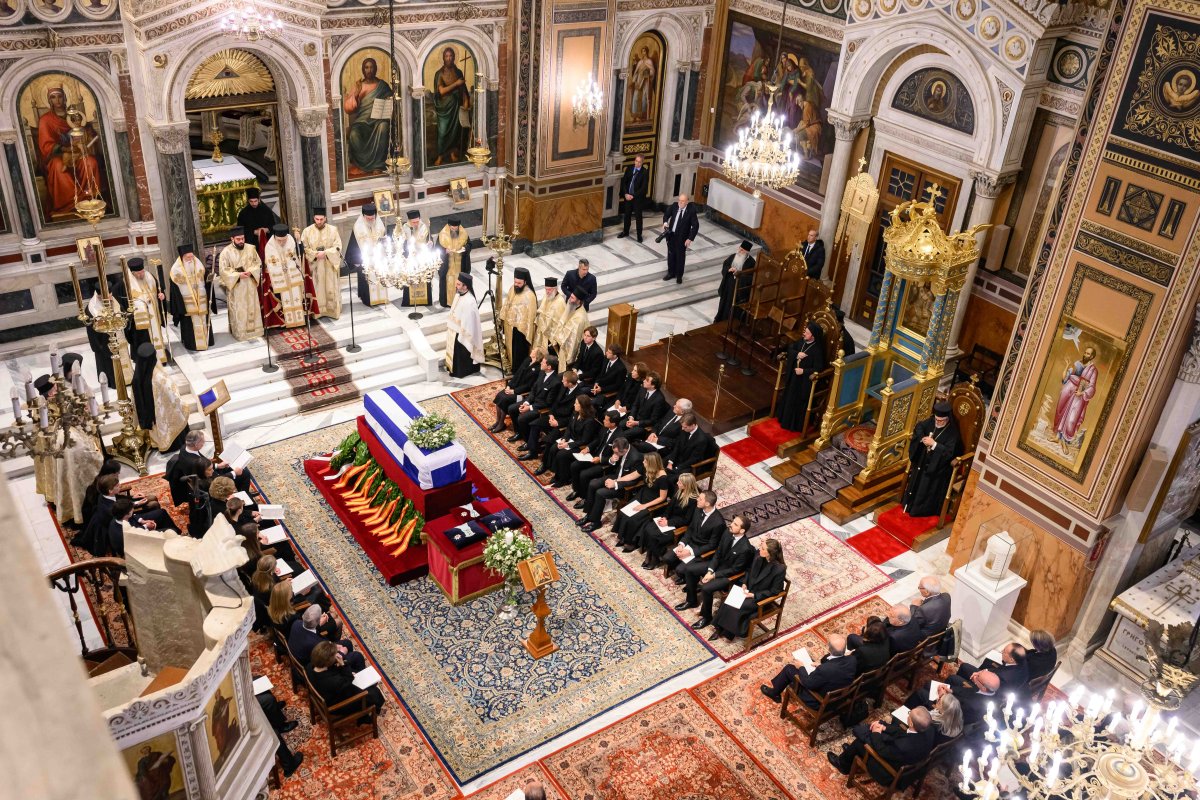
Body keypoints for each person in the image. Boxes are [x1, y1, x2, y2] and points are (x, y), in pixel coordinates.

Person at [677, 515, 755, 630]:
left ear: (742, 530)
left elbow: (735, 570)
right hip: (716, 566)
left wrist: (713, 575)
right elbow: (718, 554)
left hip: (728, 574)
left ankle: (706, 617)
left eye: (735, 524)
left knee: (706, 588)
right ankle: (691, 600)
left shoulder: (746, 548)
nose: (731, 525)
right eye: (732, 522)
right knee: (689, 569)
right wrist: (710, 570)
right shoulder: (727, 533)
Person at [36, 85, 102, 216]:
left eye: (60, 96)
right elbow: (46, 145)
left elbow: (87, 130)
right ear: (49, 100)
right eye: (53, 97)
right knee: (58, 166)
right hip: (57, 156)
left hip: (78, 153)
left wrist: (87, 133)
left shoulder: (76, 116)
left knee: (90, 162)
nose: (57, 100)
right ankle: (70, 204)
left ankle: (89, 199)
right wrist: (65, 148)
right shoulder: (46, 120)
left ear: (65, 97)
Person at [826, 706, 936, 784]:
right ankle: (851, 751)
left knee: (860, 742)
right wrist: (884, 727)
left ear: (911, 723)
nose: (908, 715)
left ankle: (843, 764)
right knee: (869, 733)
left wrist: (876, 733)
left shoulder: (903, 746)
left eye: (909, 714)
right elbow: (904, 733)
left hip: (887, 771)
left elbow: (882, 751)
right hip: (901, 757)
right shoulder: (929, 730)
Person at [710, 537, 787, 642]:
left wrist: (754, 595)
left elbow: (775, 591)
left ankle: (728, 632)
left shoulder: (779, 569)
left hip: (760, 598)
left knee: (738, 606)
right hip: (748, 590)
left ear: (770, 553)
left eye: (763, 548)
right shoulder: (758, 556)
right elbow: (749, 571)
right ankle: (719, 628)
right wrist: (745, 583)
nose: (760, 549)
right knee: (729, 599)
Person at [901, 400, 962, 517]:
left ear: (947, 419)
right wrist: (922, 438)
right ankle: (909, 504)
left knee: (926, 484)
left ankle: (920, 510)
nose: (937, 423)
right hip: (923, 462)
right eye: (936, 420)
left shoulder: (953, 433)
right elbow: (919, 426)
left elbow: (950, 453)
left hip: (937, 468)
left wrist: (934, 444)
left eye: (941, 421)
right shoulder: (931, 422)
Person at [760, 632, 854, 702]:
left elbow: (809, 683)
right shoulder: (852, 660)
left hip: (817, 700)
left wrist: (801, 667)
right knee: (811, 662)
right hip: (838, 698)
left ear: (829, 648)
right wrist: (821, 665)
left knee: (789, 668)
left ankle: (774, 693)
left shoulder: (824, 669)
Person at [577, 437, 643, 533]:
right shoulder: (620, 450)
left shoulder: (636, 458)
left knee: (600, 493)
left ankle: (596, 522)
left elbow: (634, 480)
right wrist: (612, 460)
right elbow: (614, 465)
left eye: (617, 453)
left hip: (624, 486)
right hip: (616, 476)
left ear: (624, 450)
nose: (615, 454)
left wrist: (615, 483)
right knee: (592, 484)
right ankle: (589, 515)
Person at [342, 56, 394, 177]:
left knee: (383, 127)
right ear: (363, 69)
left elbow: (392, 103)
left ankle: (378, 165)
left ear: (376, 69)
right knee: (354, 134)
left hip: (379, 120)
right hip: (362, 122)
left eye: (371, 67)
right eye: (366, 67)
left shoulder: (383, 86)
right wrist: (356, 93)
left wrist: (389, 100)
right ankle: (361, 164)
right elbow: (348, 108)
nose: (369, 70)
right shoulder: (359, 85)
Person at [131, 342, 187, 453]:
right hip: (162, 415)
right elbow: (173, 397)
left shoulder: (137, 377)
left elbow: (135, 401)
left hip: (149, 419)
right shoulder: (159, 378)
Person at [636, 472, 699, 569]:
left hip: (677, 525)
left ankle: (655, 558)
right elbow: (669, 507)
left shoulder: (693, 501)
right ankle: (650, 554)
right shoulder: (678, 491)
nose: (677, 483)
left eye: (680, 482)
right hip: (669, 519)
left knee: (654, 535)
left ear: (686, 485)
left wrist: (668, 523)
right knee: (648, 527)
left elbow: (686, 520)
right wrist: (665, 517)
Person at [306, 640, 385, 714]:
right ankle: (367, 715)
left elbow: (331, 674)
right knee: (375, 693)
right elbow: (348, 681)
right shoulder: (335, 681)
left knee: (357, 664)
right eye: (335, 655)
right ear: (328, 661)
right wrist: (343, 665)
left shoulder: (309, 666)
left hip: (328, 691)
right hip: (337, 705)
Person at [659, 490, 726, 575]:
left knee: (680, 570)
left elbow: (712, 545)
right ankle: (678, 567)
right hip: (689, 543)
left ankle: (684, 574)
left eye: (700, 499)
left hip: (700, 550)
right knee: (666, 558)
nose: (697, 499)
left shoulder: (718, 523)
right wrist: (682, 544)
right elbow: (690, 529)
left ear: (707, 504)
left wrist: (690, 552)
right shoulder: (698, 509)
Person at [613, 451, 671, 548]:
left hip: (653, 501)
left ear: (652, 463)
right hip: (643, 495)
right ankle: (623, 537)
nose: (643, 462)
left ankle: (632, 542)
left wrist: (644, 506)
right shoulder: (645, 467)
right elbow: (632, 476)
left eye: (645, 461)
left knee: (633, 519)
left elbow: (662, 497)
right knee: (624, 512)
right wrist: (616, 480)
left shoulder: (663, 477)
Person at [905, 666, 999, 725]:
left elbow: (951, 711)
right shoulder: (988, 691)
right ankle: (919, 707)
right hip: (954, 701)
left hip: (947, 716)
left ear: (983, 687)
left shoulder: (973, 705)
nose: (974, 675)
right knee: (930, 684)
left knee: (920, 693)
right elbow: (966, 691)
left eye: (977, 676)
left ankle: (906, 715)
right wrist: (950, 690)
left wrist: (943, 696)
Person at [262, 223, 314, 328]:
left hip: (293, 273)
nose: (282, 242)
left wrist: (298, 241)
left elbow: (300, 253)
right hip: (280, 276)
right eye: (279, 240)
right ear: (275, 237)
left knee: (296, 297)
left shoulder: (291, 240)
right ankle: (289, 321)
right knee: (286, 299)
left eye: (284, 240)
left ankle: (299, 320)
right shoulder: (270, 246)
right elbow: (268, 263)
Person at [777, 322, 827, 432]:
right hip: (793, 378)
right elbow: (791, 348)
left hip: (804, 382)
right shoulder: (802, 342)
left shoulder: (817, 350)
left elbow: (818, 368)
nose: (804, 334)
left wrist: (803, 371)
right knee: (789, 397)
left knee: (797, 401)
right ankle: (783, 419)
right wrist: (796, 354)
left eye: (807, 332)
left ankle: (793, 425)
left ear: (813, 336)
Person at [536, 389, 599, 478]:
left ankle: (562, 478)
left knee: (561, 454)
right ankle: (554, 471)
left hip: (579, 445)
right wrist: (564, 439)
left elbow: (584, 440)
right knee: (554, 447)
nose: (574, 405)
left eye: (576, 403)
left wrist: (568, 445)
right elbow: (569, 428)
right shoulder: (575, 413)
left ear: (582, 406)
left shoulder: (589, 421)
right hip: (569, 440)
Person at [218, 226, 265, 341]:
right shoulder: (226, 252)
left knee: (252, 306)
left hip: (250, 283)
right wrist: (238, 275)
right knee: (240, 309)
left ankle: (256, 331)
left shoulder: (251, 248)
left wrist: (251, 271)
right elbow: (224, 270)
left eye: (243, 238)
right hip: (237, 286)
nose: (241, 241)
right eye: (238, 239)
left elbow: (258, 263)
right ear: (232, 239)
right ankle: (240, 333)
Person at [526, 367, 585, 456]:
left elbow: (574, 416)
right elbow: (555, 403)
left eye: (564, 380)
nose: (561, 381)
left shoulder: (579, 396)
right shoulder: (563, 387)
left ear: (569, 383)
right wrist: (551, 414)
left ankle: (545, 461)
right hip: (554, 416)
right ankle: (532, 451)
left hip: (563, 423)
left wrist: (558, 423)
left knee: (549, 439)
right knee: (534, 424)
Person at [563, 409, 622, 496]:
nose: (603, 421)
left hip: (604, 463)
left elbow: (616, 458)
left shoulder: (620, 437)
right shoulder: (605, 428)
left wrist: (601, 459)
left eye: (606, 420)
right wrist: (588, 448)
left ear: (613, 424)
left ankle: (584, 497)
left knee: (584, 474)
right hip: (594, 456)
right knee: (574, 465)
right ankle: (576, 490)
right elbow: (597, 440)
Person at [509, 355, 563, 450]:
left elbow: (548, 402)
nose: (541, 363)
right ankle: (519, 433)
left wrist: (529, 408)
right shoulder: (542, 373)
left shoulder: (556, 382)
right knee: (512, 409)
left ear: (549, 367)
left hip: (540, 407)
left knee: (522, 418)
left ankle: (527, 441)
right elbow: (533, 390)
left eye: (543, 362)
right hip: (531, 401)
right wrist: (526, 403)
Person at [289, 604, 366, 670]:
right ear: (317, 621)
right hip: (314, 664)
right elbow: (328, 660)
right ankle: (349, 672)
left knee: (347, 642)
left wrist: (318, 623)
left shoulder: (296, 623)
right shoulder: (317, 643)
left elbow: (310, 631)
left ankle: (349, 665)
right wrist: (341, 653)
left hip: (304, 654)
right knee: (357, 656)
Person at [168, 244, 213, 351]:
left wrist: (209, 278)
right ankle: (192, 344)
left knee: (203, 318)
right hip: (187, 303)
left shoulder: (198, 264)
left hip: (200, 299)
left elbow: (205, 278)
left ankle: (207, 340)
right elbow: (175, 292)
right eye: (188, 258)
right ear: (182, 258)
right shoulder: (176, 270)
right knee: (189, 323)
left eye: (191, 257)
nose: (190, 259)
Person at [301, 208, 343, 321]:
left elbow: (338, 245)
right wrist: (315, 254)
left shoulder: (333, 230)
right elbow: (304, 248)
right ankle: (317, 311)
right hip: (315, 266)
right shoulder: (307, 231)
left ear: (325, 218)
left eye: (321, 219)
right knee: (317, 287)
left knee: (330, 287)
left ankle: (332, 310)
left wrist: (326, 253)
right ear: (314, 218)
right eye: (316, 219)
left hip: (329, 264)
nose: (319, 221)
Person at [1054, 345, 1099, 453]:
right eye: (1085, 352)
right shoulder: (1077, 363)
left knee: (1071, 419)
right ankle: (1057, 437)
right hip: (1069, 391)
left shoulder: (1093, 370)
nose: (1085, 355)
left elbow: (1092, 386)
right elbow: (1066, 378)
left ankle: (1064, 442)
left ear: (1092, 356)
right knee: (1063, 413)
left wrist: (1082, 392)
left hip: (1079, 396)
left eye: (1088, 354)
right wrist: (1067, 365)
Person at [123, 257, 167, 361]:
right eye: (137, 273)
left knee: (156, 334)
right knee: (143, 338)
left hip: (153, 314)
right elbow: (123, 302)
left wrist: (161, 296)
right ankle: (148, 359)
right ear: (132, 273)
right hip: (139, 319)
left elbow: (158, 291)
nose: (140, 275)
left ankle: (160, 357)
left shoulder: (150, 276)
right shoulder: (126, 283)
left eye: (142, 272)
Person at [432, 46, 469, 165]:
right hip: (444, 108)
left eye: (451, 56)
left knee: (455, 131)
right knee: (442, 132)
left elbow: (463, 89)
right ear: (443, 58)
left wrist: (466, 103)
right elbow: (441, 91)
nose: (449, 58)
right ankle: (440, 155)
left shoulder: (458, 72)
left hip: (456, 107)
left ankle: (453, 152)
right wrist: (456, 83)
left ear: (454, 57)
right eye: (446, 56)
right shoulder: (439, 74)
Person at [490, 347, 542, 432]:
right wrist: (509, 386)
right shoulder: (527, 360)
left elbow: (528, 386)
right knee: (499, 395)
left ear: (537, 355)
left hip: (521, 393)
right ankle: (498, 421)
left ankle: (501, 424)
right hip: (513, 387)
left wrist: (514, 391)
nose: (531, 350)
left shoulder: (537, 369)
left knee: (504, 399)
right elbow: (517, 374)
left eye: (534, 350)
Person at [346, 203, 389, 306]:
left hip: (378, 258)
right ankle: (367, 299)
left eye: (372, 218)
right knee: (365, 280)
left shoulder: (380, 225)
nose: (370, 220)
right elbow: (354, 245)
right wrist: (355, 260)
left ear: (375, 216)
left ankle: (381, 298)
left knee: (379, 277)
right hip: (365, 260)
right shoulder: (358, 227)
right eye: (368, 218)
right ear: (363, 216)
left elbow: (384, 240)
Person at [499, 267, 538, 369]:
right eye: (515, 282)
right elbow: (507, 303)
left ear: (525, 282)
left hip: (521, 332)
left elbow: (530, 317)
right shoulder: (512, 288)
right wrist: (502, 318)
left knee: (518, 354)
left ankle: (518, 370)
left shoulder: (530, 296)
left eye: (519, 283)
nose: (516, 285)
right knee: (509, 349)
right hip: (510, 327)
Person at [446, 274, 484, 377]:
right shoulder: (458, 294)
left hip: (463, 333)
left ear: (465, 286)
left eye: (458, 284)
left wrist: (461, 331)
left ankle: (462, 371)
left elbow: (469, 324)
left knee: (462, 352)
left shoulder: (470, 302)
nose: (456, 286)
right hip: (455, 330)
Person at [849, 604, 924, 655]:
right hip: (907, 644)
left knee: (852, 637)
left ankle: (851, 651)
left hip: (888, 653)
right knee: (873, 620)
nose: (888, 615)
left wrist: (867, 633)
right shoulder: (912, 619)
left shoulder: (893, 637)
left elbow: (884, 649)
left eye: (891, 615)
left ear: (901, 621)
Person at [661, 193, 699, 284]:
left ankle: (679, 275)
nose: (680, 203)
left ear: (687, 202)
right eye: (679, 200)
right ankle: (671, 273)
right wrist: (665, 223)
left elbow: (695, 226)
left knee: (680, 257)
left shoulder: (691, 211)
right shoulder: (674, 206)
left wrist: (689, 239)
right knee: (671, 255)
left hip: (682, 238)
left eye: (683, 201)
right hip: (671, 236)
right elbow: (666, 215)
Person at [714, 240, 755, 323]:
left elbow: (751, 277)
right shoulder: (733, 256)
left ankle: (730, 322)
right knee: (724, 304)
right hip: (728, 286)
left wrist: (739, 274)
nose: (739, 251)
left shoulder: (751, 262)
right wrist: (729, 269)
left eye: (742, 250)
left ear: (747, 252)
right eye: (740, 248)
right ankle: (720, 319)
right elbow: (725, 264)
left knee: (733, 307)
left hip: (738, 289)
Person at [398, 210, 433, 307]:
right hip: (410, 259)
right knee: (410, 279)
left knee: (424, 278)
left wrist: (430, 244)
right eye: (414, 222)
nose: (416, 224)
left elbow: (429, 240)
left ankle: (425, 300)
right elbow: (400, 245)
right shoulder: (404, 229)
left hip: (422, 258)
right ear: (409, 221)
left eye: (417, 221)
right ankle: (409, 301)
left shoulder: (424, 227)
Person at [437, 218, 472, 308]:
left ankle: (460, 301)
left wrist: (464, 248)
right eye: (452, 228)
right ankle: (448, 302)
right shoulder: (442, 234)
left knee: (460, 282)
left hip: (460, 265)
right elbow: (437, 248)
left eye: (456, 228)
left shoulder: (464, 233)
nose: (454, 230)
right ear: (449, 226)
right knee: (448, 282)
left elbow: (469, 245)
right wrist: (445, 250)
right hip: (448, 266)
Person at [236, 187, 278, 261]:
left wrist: (267, 229)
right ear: (248, 201)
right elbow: (240, 229)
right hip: (251, 240)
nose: (254, 204)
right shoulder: (243, 213)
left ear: (259, 200)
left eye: (255, 201)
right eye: (251, 201)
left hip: (266, 238)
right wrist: (253, 232)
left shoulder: (266, 210)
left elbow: (273, 225)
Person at [552, 294, 591, 367]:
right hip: (563, 343)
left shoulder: (580, 318)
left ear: (578, 301)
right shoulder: (572, 307)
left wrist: (559, 339)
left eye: (572, 298)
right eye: (570, 296)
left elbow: (574, 340)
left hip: (568, 348)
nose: (569, 299)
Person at [532, 277, 568, 355]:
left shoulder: (560, 302)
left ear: (555, 289)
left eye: (550, 290)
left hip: (552, 336)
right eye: (546, 289)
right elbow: (541, 311)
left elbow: (560, 322)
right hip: (542, 332)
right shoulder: (546, 296)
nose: (547, 292)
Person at [618, 155, 649, 241]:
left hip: (637, 199)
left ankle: (639, 235)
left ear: (642, 162)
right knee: (627, 215)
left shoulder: (644, 172)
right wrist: (625, 194)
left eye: (639, 162)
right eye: (636, 161)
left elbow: (643, 188)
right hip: (627, 197)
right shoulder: (630, 168)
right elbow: (624, 182)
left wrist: (633, 196)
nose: (637, 163)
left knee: (638, 217)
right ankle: (625, 231)